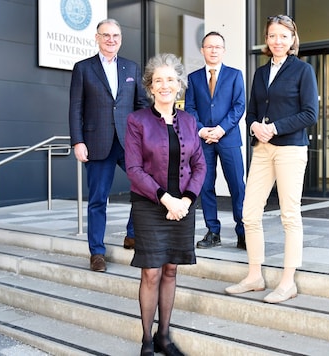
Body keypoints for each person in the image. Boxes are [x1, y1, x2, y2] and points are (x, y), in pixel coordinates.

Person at [224, 15, 318, 304]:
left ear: (292, 39)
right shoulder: (260, 73)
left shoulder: (303, 71)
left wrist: (274, 127)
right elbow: (251, 111)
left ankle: (287, 282)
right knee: (249, 213)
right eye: (272, 36)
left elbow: (310, 114)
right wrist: (254, 126)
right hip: (262, 150)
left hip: (290, 148)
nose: (277, 41)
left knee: (289, 215)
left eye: (283, 36)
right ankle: (255, 276)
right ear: (267, 40)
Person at [125, 53, 206, 356]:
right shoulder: (137, 121)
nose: (164, 85)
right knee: (151, 272)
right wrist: (165, 198)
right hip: (150, 204)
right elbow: (133, 169)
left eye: (170, 79)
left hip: (182, 207)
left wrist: (186, 200)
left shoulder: (189, 121)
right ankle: (147, 340)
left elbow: (200, 166)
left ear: (179, 85)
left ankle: (165, 337)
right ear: (150, 86)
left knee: (171, 269)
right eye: (158, 80)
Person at [68, 18, 149, 272]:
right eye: (106, 35)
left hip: (129, 143)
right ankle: (97, 252)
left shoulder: (131, 68)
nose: (111, 39)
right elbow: (76, 108)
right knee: (97, 199)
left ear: (121, 39)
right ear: (97, 37)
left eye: (115, 35)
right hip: (96, 143)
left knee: (145, 190)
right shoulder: (83, 68)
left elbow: (141, 106)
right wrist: (77, 141)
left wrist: (147, 137)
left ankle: (132, 234)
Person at [184, 31, 247, 250]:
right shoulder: (193, 78)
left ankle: (243, 232)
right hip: (202, 142)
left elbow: (239, 106)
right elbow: (190, 108)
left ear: (223, 50)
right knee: (205, 186)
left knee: (238, 186)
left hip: (228, 138)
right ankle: (213, 232)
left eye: (217, 47)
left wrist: (220, 129)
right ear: (202, 50)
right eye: (209, 46)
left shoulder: (235, 75)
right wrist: (201, 131)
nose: (213, 50)